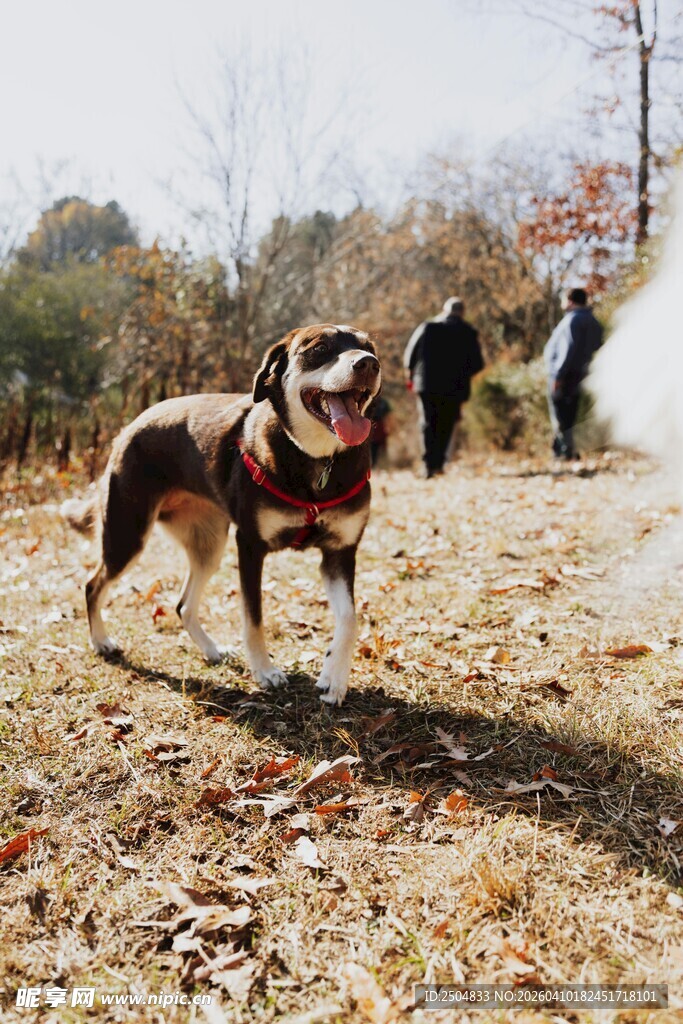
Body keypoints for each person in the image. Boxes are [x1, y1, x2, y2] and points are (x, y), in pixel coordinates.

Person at [403, 296, 484, 478]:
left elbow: (411, 353)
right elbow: (478, 364)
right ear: (462, 313)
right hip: (455, 387)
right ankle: (438, 464)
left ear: (444, 310)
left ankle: (428, 465)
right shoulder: (469, 332)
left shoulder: (428, 327)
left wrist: (410, 373)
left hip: (426, 384)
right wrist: (462, 373)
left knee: (427, 423)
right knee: (445, 424)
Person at [544, 287, 603, 460]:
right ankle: (561, 452)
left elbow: (567, 350)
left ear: (570, 300)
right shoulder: (593, 321)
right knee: (569, 415)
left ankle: (566, 453)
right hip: (581, 376)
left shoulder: (573, 321)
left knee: (561, 415)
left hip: (566, 376)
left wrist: (558, 376)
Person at [369, 395, 394, 467]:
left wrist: (390, 428)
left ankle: (382, 466)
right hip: (368, 426)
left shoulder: (383, 403)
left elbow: (389, 416)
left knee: (381, 449)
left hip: (380, 427)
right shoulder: (366, 399)